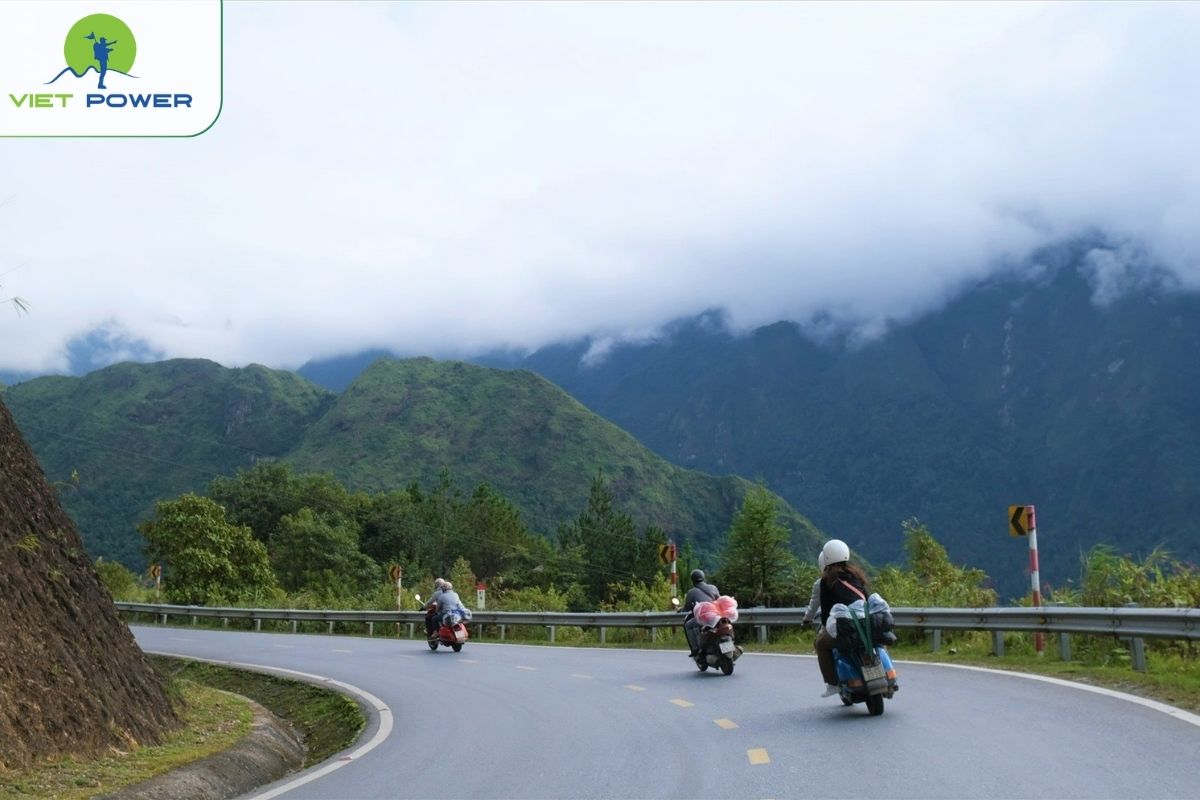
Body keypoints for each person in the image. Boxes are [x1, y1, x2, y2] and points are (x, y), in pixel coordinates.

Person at [814, 539, 870, 697]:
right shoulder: (855, 575)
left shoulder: (827, 581)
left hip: (846, 627)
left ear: (826, 559)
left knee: (821, 644)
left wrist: (827, 625)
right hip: (865, 623)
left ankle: (832, 684)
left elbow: (825, 613)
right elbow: (867, 597)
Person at [681, 568, 719, 658]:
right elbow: (719, 600)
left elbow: (687, 608)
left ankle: (695, 649)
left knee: (688, 625)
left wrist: (681, 610)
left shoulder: (691, 592)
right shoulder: (713, 588)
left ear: (693, 580)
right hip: (717, 615)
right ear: (703, 577)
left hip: (704, 617)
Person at [801, 551, 825, 629]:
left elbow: (813, 606)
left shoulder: (821, 583)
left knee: (820, 640)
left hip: (837, 623)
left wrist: (807, 619)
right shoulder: (855, 578)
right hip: (861, 622)